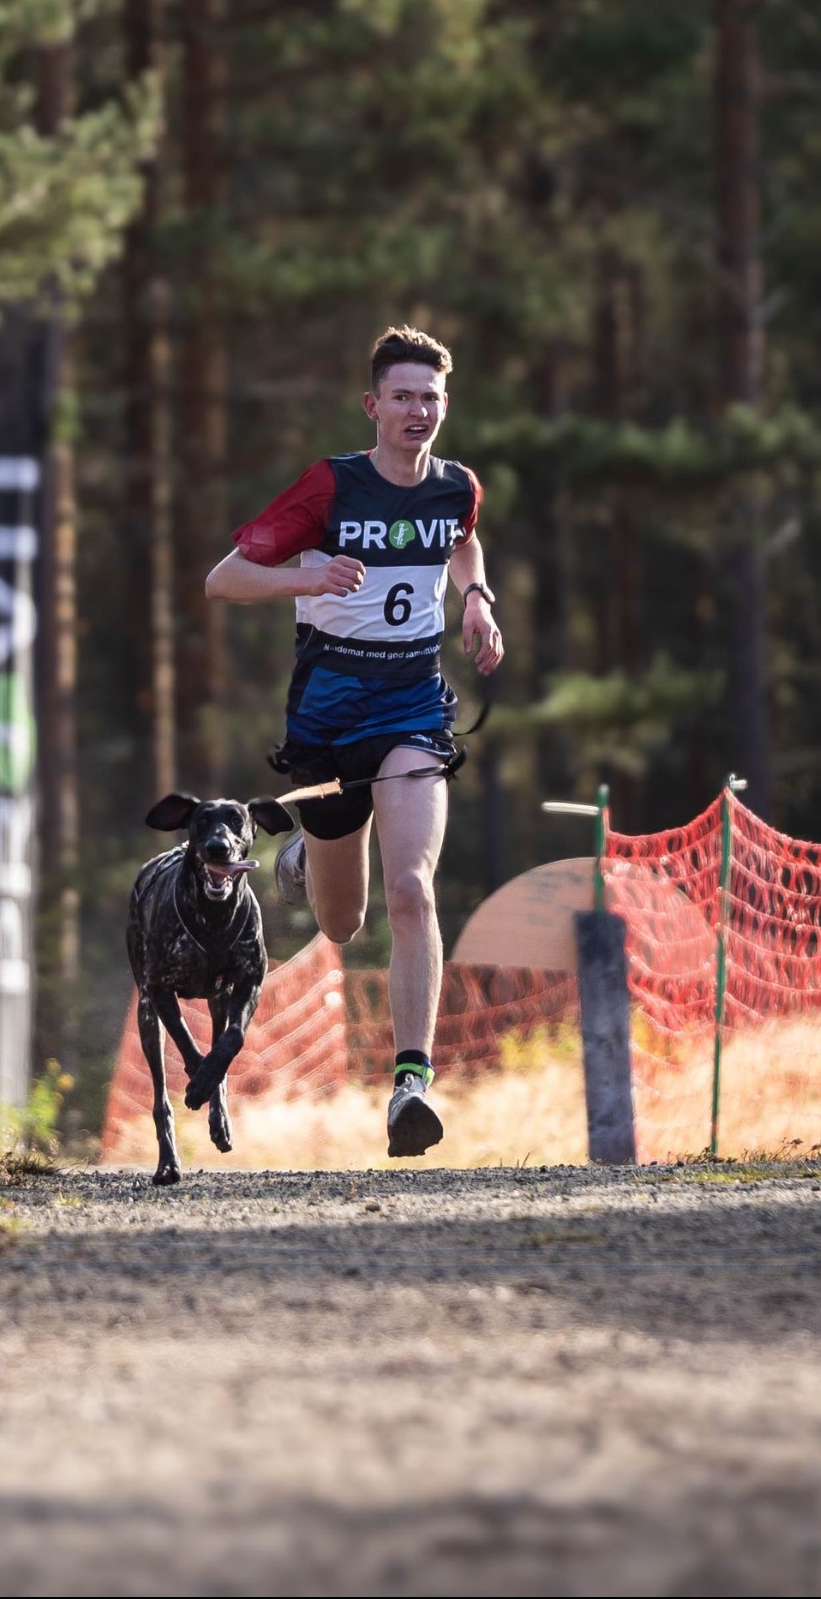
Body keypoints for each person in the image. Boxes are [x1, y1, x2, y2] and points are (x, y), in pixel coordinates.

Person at [205, 326, 504, 1156]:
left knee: (413, 888)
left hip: (411, 712)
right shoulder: (328, 489)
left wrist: (476, 597)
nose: (418, 411)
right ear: (374, 406)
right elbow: (222, 579)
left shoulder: (456, 488)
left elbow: (463, 538)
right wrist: (309, 574)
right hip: (327, 722)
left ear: (446, 406)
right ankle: (305, 851)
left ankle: (411, 1083)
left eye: (431, 398)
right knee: (343, 922)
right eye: (403, 397)